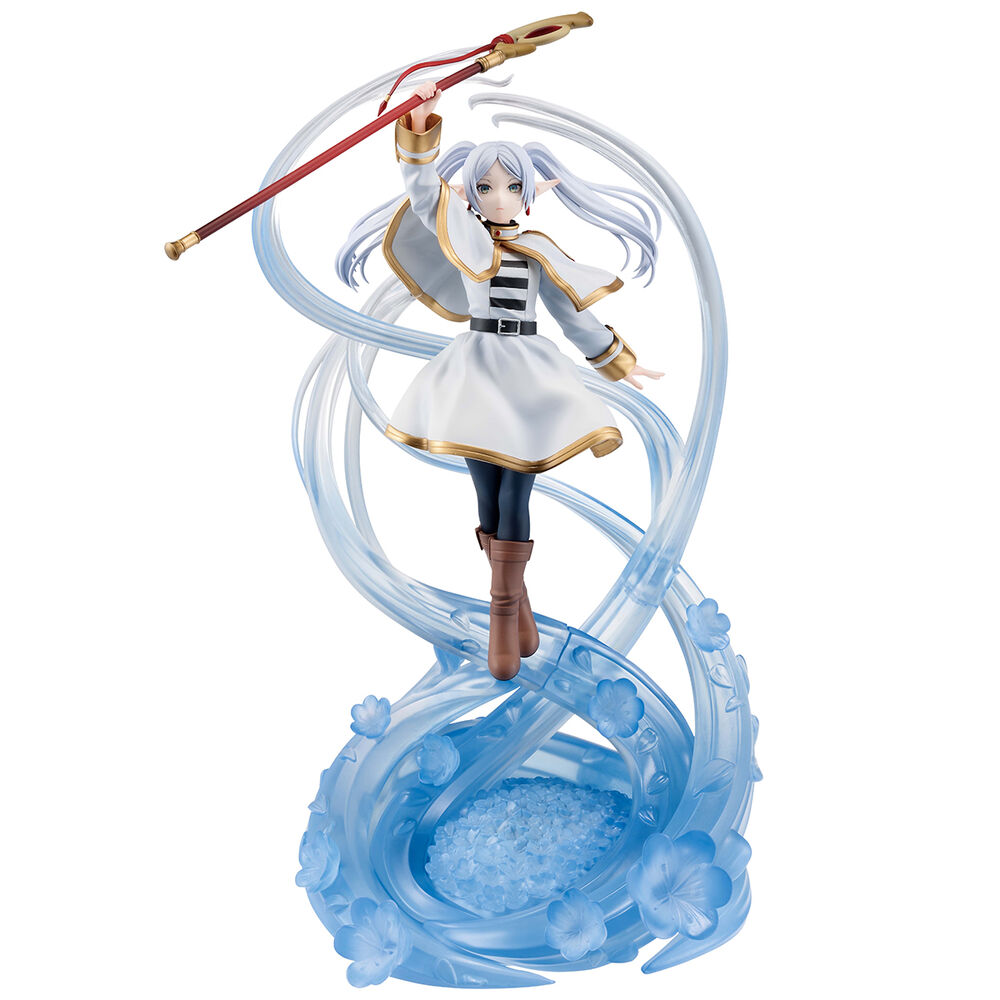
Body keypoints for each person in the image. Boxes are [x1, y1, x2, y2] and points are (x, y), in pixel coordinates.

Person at [337, 82, 663, 680]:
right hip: (474, 374)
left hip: (528, 377)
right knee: (487, 496)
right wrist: (420, 127)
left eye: (511, 186)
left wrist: (618, 358)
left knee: (516, 493)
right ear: (469, 192)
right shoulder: (464, 234)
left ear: (532, 193)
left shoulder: (538, 250)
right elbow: (422, 192)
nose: (499, 196)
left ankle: (502, 613)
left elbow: (571, 315)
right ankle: (517, 610)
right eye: (485, 187)